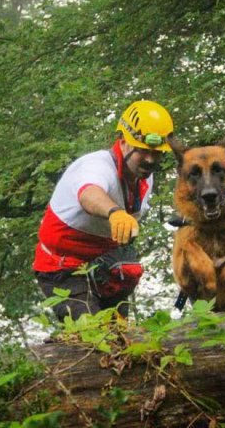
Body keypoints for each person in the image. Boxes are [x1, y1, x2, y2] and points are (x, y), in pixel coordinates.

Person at [33, 100, 174, 321]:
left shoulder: (143, 178)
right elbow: (89, 194)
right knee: (93, 336)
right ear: (124, 143)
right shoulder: (96, 166)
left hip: (104, 265)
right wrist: (114, 212)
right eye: (144, 151)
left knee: (120, 336)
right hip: (63, 267)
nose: (150, 160)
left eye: (157, 154)